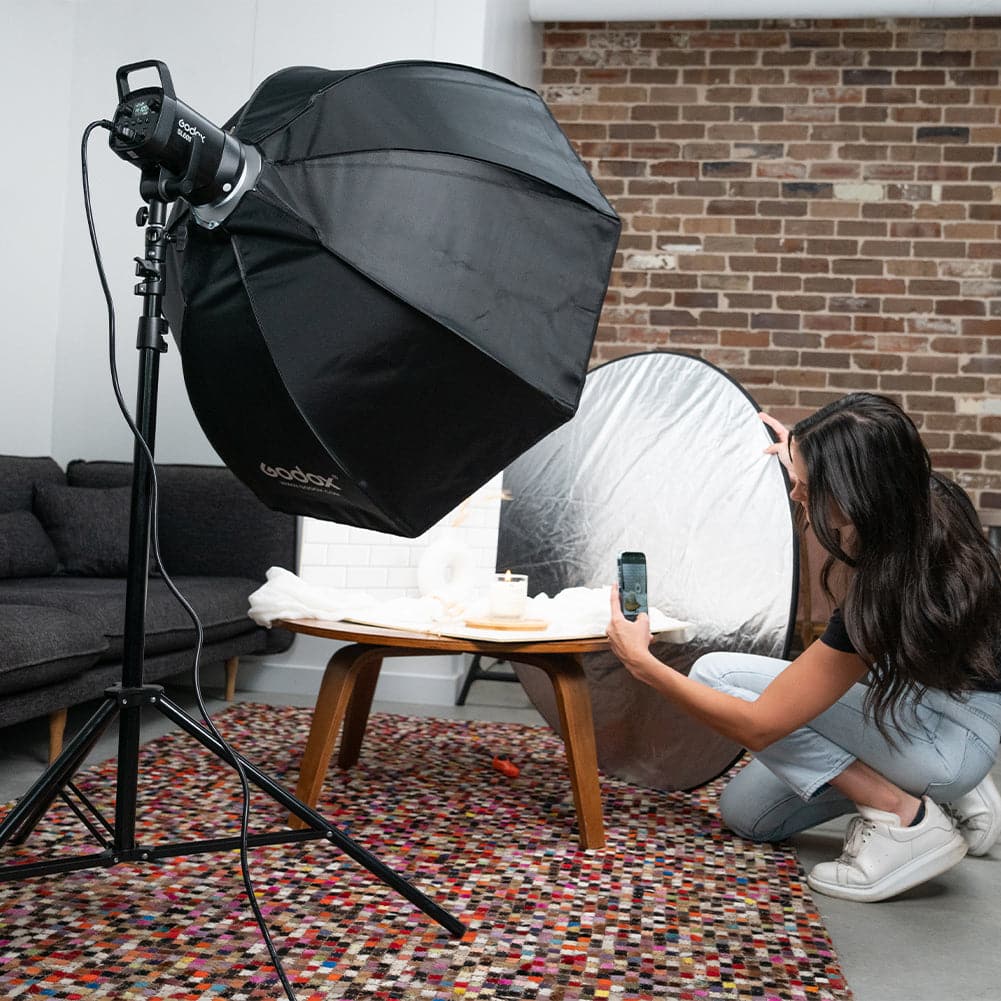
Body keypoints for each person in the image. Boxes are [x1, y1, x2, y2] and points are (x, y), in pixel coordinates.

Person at [606, 392, 1001, 902]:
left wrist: (643, 664)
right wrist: (806, 450)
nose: (796, 494)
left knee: (716, 676)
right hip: (924, 704)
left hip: (949, 736)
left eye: (807, 485)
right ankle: (952, 792)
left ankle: (908, 818)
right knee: (749, 816)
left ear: (853, 490)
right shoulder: (924, 497)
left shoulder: (883, 589)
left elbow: (760, 724)